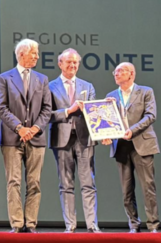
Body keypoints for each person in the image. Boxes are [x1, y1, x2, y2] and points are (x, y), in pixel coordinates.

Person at [0, 39, 51, 233]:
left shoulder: (42, 79)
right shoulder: (4, 78)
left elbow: (47, 109)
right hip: (12, 139)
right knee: (14, 182)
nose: (37, 56)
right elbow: (1, 108)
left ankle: (31, 223)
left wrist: (34, 128)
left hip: (36, 138)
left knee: (34, 182)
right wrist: (19, 128)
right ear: (21, 55)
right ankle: (17, 224)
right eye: (34, 53)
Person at [102, 62, 160, 233]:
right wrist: (106, 134)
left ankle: (153, 225)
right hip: (121, 146)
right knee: (126, 190)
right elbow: (107, 122)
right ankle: (133, 224)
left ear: (131, 74)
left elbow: (151, 115)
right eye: (115, 71)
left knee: (148, 187)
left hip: (142, 143)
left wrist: (131, 131)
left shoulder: (145, 91)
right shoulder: (111, 96)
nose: (116, 74)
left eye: (121, 71)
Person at [47, 49, 101, 233]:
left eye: (75, 63)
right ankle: (70, 226)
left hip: (84, 139)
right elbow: (47, 115)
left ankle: (92, 225)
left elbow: (94, 114)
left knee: (88, 183)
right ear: (60, 64)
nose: (72, 66)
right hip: (61, 139)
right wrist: (69, 111)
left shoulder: (88, 86)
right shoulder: (50, 86)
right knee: (66, 185)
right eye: (68, 62)